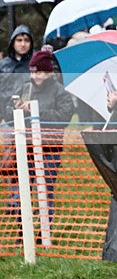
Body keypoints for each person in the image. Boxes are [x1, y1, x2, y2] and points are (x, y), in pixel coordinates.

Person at [6, 47, 74, 227]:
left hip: (50, 149)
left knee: (46, 190)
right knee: (23, 189)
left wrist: (36, 111)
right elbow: (7, 114)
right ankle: (22, 228)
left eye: (40, 72)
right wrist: (15, 109)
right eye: (33, 72)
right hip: (25, 148)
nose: (36, 76)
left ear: (49, 72)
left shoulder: (60, 91)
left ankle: (45, 228)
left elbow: (64, 116)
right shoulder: (23, 87)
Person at [0, 25, 34, 120]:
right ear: (13, 42)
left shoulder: (36, 63)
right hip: (5, 118)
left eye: (27, 40)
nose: (23, 44)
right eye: (19, 40)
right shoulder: (3, 65)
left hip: (29, 116)